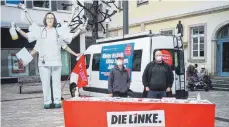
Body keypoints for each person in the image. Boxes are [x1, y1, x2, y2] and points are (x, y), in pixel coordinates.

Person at [14, 12, 88, 109]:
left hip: (56, 63)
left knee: (56, 83)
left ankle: (57, 101)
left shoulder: (58, 32)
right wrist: (18, 29)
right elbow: (34, 47)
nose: (49, 20)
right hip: (43, 63)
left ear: (54, 20)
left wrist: (75, 53)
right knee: (45, 84)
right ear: (45, 20)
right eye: (48, 18)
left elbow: (66, 44)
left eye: (52, 18)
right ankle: (47, 102)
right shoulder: (40, 32)